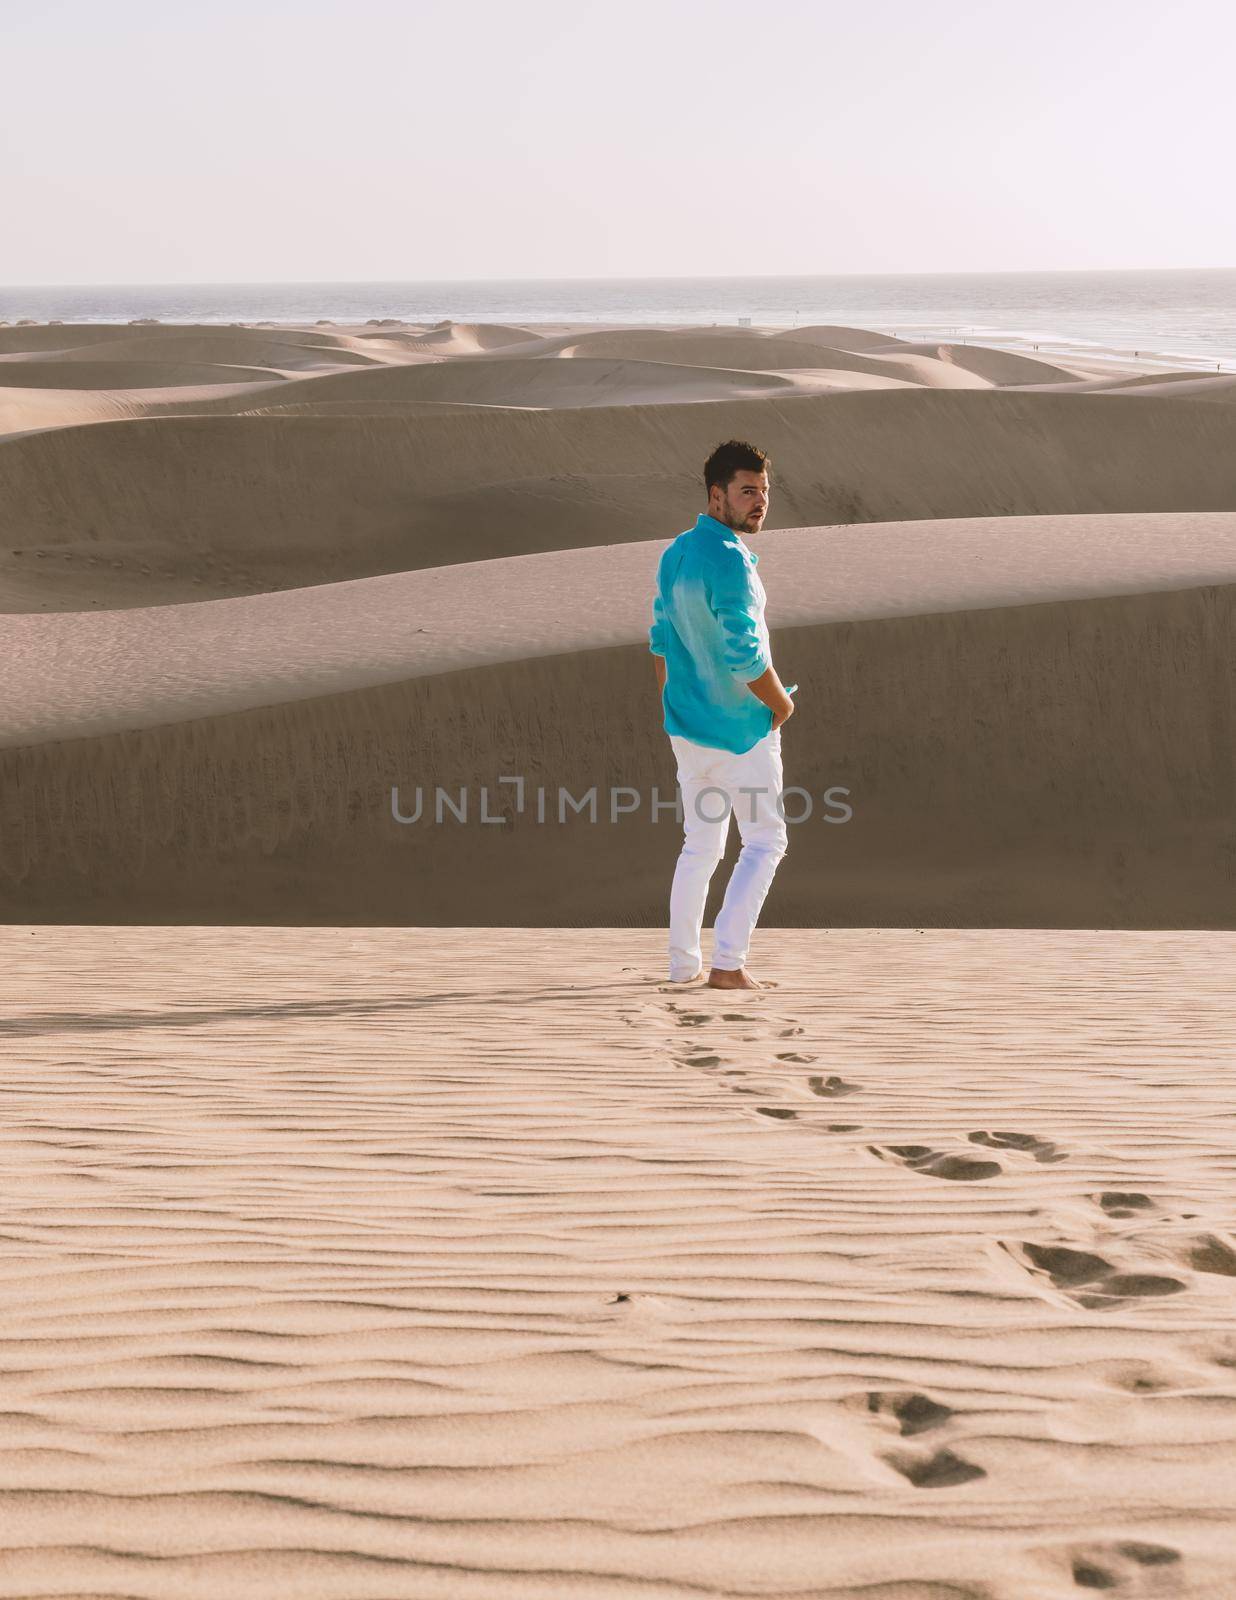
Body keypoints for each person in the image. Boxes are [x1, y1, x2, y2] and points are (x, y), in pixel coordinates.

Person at [648, 439, 794, 991]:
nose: (759, 502)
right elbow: (744, 652)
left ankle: (683, 965)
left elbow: (662, 641)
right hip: (739, 731)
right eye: (746, 491)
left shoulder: (676, 553)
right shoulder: (730, 560)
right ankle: (728, 965)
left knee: (700, 845)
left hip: (687, 730)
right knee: (764, 841)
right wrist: (781, 703)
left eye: (763, 491)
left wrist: (677, 705)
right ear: (717, 495)